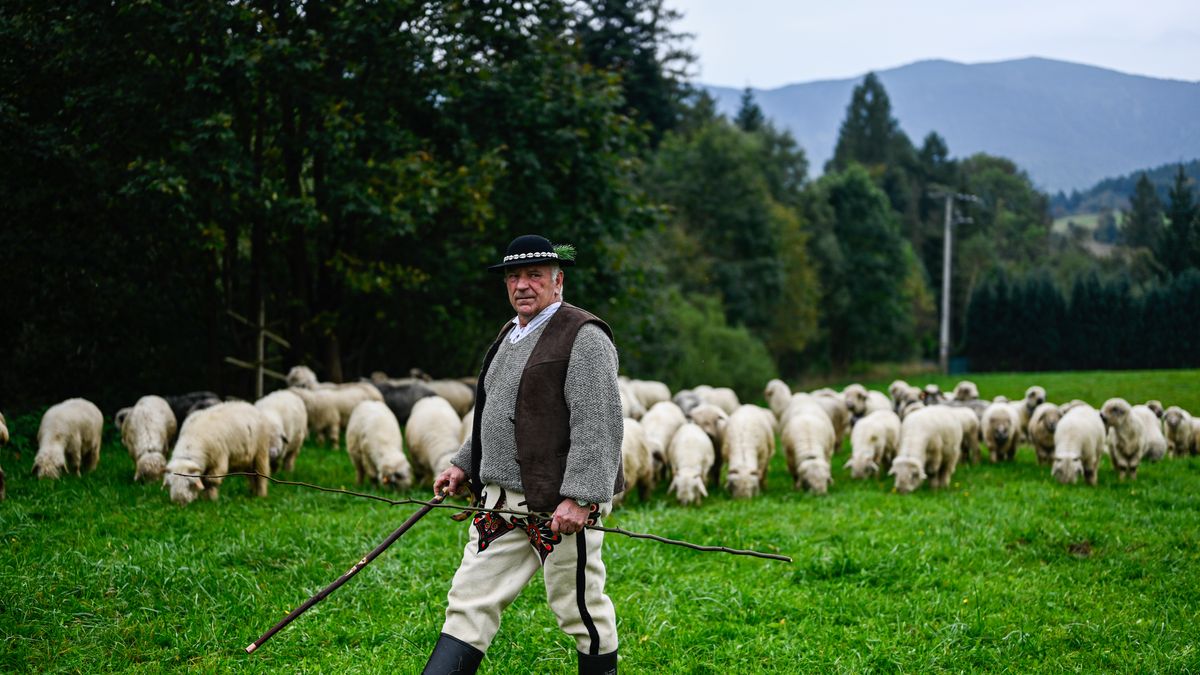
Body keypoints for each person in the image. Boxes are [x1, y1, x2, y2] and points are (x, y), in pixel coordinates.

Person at [424, 234, 624, 675]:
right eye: (514, 276)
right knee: (468, 601)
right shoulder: (510, 334)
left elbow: (600, 422)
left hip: (559, 506)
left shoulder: (583, 336)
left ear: (558, 281)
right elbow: (494, 411)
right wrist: (464, 462)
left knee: (579, 610)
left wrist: (583, 497)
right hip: (500, 505)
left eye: (534, 275)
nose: (522, 285)